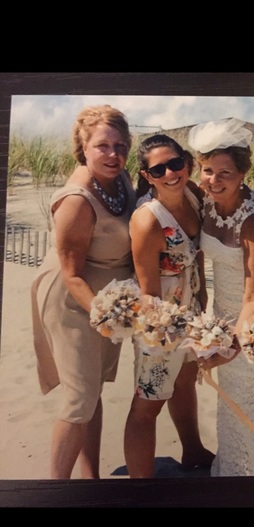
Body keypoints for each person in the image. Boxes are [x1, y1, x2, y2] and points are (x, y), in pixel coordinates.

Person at [31, 105, 136, 479]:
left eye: (120, 146)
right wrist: (108, 316)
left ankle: (90, 478)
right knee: (79, 399)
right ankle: (56, 490)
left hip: (108, 299)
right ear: (84, 145)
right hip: (73, 300)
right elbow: (72, 274)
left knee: (93, 391)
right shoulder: (77, 200)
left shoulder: (120, 179)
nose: (113, 155)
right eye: (103, 146)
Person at [188, 117, 254, 476]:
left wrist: (228, 347)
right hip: (226, 309)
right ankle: (235, 473)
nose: (214, 180)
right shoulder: (206, 202)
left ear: (242, 174)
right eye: (208, 171)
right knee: (233, 399)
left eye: (225, 173)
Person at [123, 134, 214, 478]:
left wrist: (201, 294)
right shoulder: (147, 220)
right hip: (160, 318)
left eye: (175, 164)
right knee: (149, 400)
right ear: (147, 176)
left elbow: (197, 248)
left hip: (190, 307)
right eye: (159, 170)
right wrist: (162, 333)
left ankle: (193, 450)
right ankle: (140, 484)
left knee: (185, 381)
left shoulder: (194, 195)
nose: (170, 174)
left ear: (186, 163)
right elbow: (148, 291)